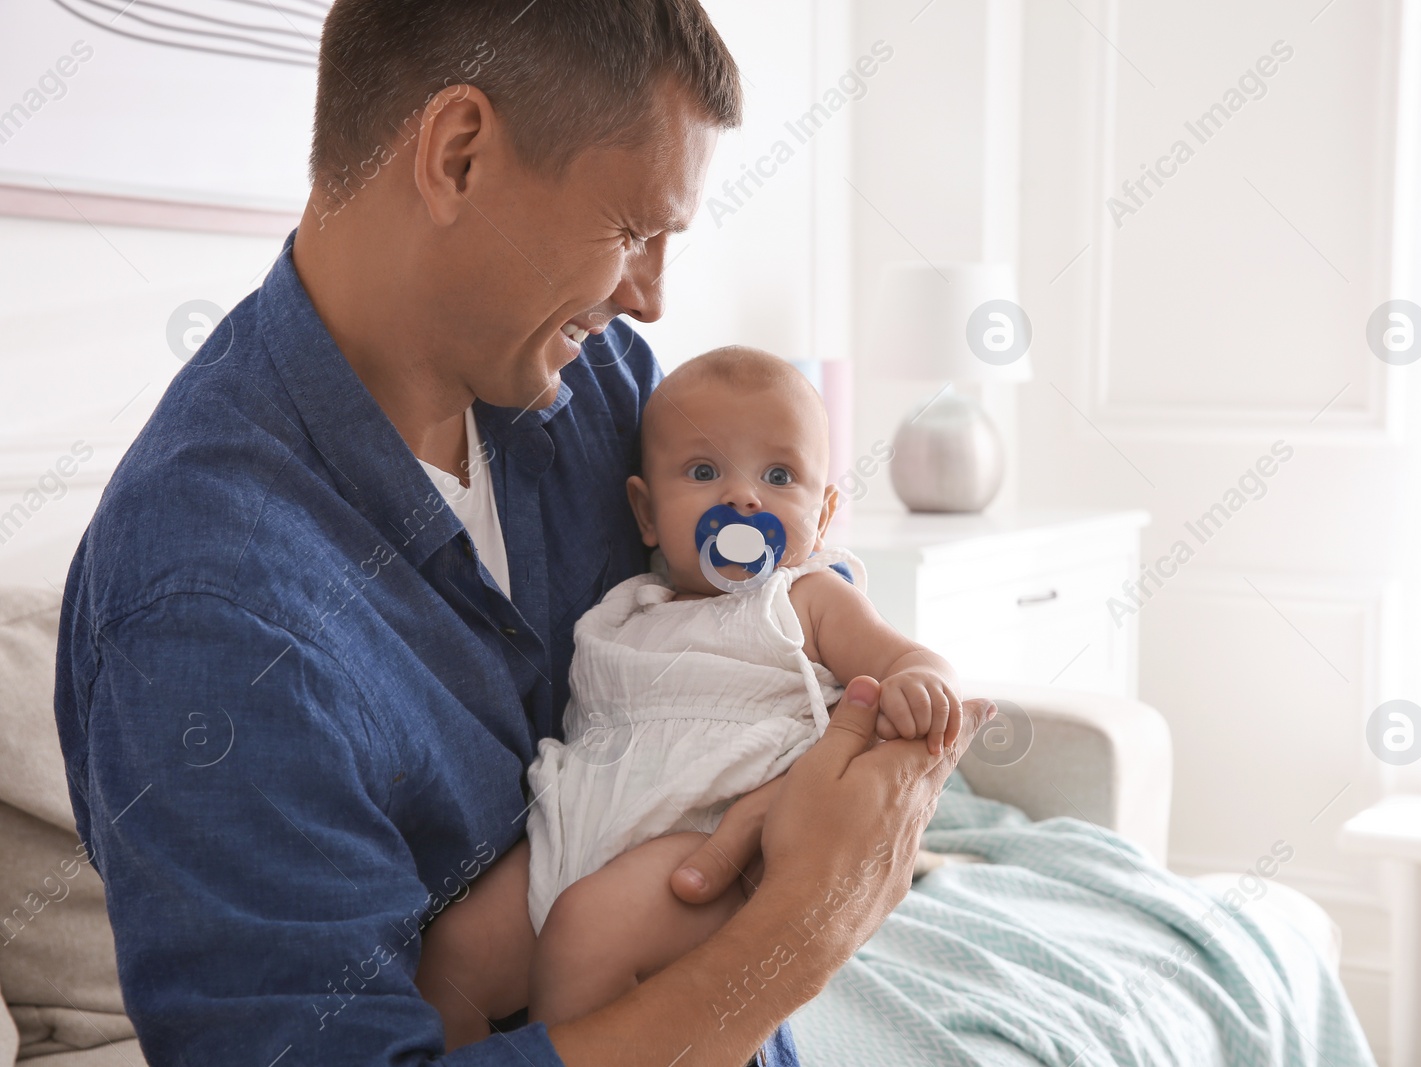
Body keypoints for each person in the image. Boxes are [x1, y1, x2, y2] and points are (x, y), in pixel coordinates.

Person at [52, 1, 990, 1064]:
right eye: (634, 231)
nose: (651, 297)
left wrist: (810, 768)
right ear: (458, 156)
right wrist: (800, 930)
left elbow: (765, 595)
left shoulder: (588, 388)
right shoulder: (210, 618)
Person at [414, 347, 966, 1047]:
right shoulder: (627, 607)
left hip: (710, 845)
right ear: (647, 512)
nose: (743, 498)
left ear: (823, 516)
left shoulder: (806, 597)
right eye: (704, 472)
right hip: (576, 827)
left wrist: (922, 684)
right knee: (458, 950)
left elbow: (910, 660)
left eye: (779, 475)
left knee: (587, 934)